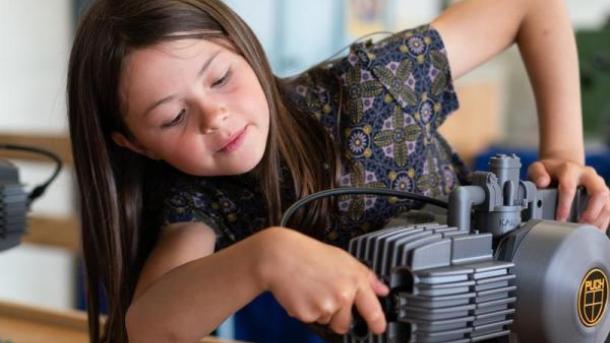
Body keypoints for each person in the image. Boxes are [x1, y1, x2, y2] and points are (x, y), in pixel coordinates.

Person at [66, 0, 610, 342]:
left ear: (246, 48)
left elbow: (528, 5)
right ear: (134, 144)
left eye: (220, 78)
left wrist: (564, 150)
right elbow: (148, 328)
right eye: (173, 117)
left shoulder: (372, 86)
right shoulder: (203, 198)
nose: (216, 117)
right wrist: (265, 255)